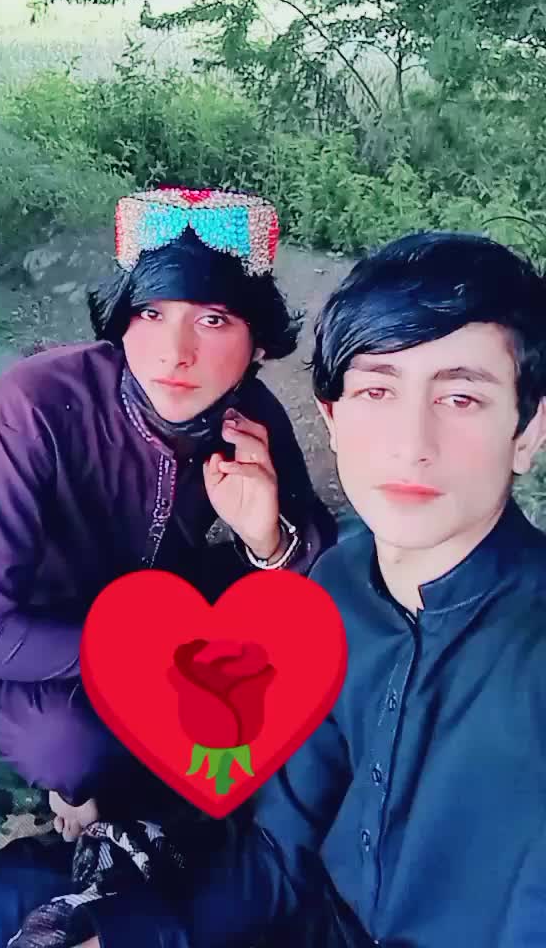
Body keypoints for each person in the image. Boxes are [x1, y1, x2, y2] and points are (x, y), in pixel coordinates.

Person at [57, 231, 546, 948]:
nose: (412, 443)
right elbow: (280, 852)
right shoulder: (338, 589)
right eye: (377, 390)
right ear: (332, 419)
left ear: (528, 431)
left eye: (462, 397)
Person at [0, 187, 335, 856]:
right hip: (38, 645)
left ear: (256, 343)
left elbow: (313, 577)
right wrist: (150, 657)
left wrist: (267, 540)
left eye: (214, 320)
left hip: (167, 615)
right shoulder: (33, 408)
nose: (174, 352)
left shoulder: (248, 415)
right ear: (120, 321)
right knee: (71, 750)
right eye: (151, 312)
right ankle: (68, 790)